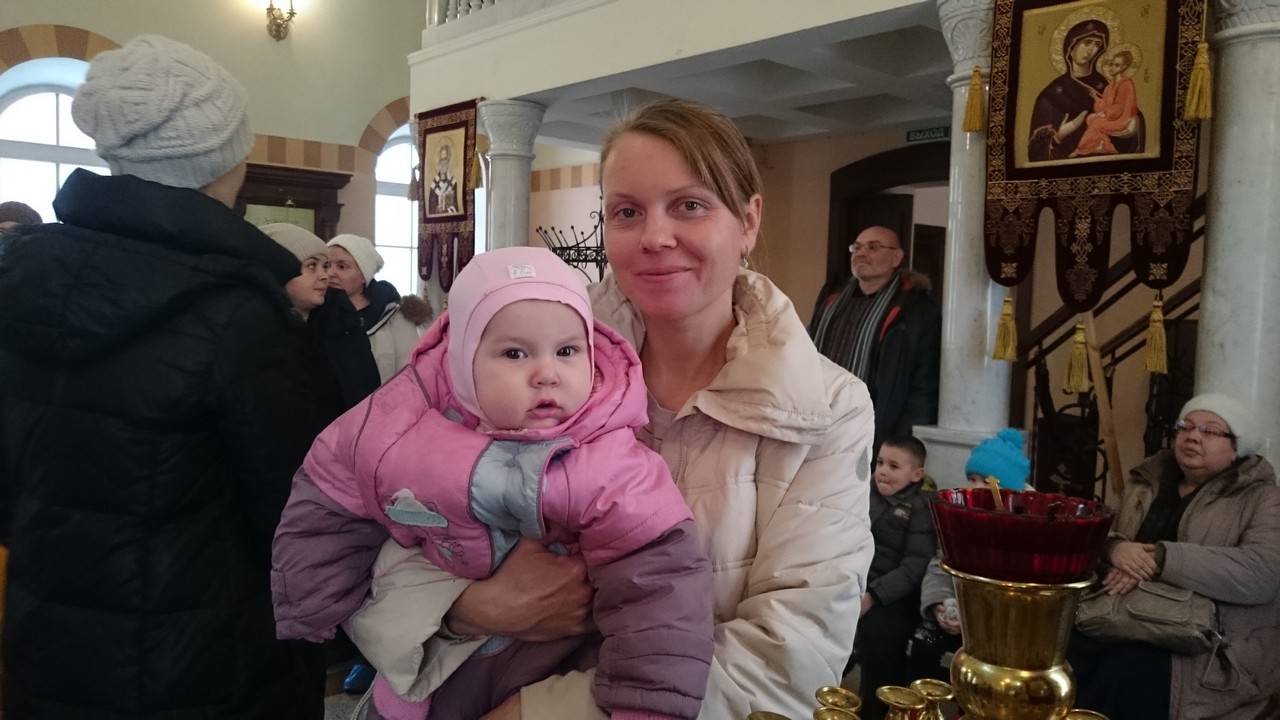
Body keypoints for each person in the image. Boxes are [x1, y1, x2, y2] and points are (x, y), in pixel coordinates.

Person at [0, 35, 324, 719]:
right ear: (226, 158)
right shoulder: (235, 313)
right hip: (206, 658)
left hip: (50, 643)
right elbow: (295, 517)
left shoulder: (21, 278)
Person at [272, 245, 713, 720]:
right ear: (462, 361)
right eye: (514, 353)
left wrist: (646, 705)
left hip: (549, 670)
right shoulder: (401, 429)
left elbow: (659, 586)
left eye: (567, 351)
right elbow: (329, 492)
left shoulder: (608, 459)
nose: (546, 374)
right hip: (430, 668)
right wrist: (314, 597)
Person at [1068, 393, 1280, 720]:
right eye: (1186, 426)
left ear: (1237, 448)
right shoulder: (1146, 482)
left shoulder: (1263, 498)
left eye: (1210, 430)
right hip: (1125, 618)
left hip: (1214, 645)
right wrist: (1116, 550)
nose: (1193, 436)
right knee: (1063, 652)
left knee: (1126, 674)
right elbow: (1101, 533)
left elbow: (1262, 573)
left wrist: (1161, 561)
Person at [906, 428, 1031, 683]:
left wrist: (972, 618)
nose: (976, 488)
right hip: (960, 610)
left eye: (988, 482)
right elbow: (940, 565)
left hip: (1001, 624)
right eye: (972, 479)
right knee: (924, 642)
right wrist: (941, 603)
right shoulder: (961, 516)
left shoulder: (1027, 528)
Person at [809, 225, 941, 454]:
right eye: (857, 247)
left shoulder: (915, 309)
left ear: (896, 257)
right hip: (820, 419)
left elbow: (923, 385)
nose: (861, 253)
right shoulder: (832, 299)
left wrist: (899, 445)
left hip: (876, 427)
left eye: (873, 247)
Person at [850, 435, 936, 720]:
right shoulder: (864, 493)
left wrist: (873, 596)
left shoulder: (921, 508)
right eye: (880, 463)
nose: (883, 471)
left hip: (895, 593)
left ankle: (879, 710)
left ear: (916, 475)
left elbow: (915, 564)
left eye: (894, 466)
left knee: (878, 636)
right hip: (858, 581)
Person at [261, 222, 381, 420]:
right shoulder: (254, 329)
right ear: (280, 270)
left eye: (324, 266)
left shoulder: (340, 319)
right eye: (312, 266)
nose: (325, 275)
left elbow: (363, 394)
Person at [1028, 18, 1143, 161]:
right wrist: (1059, 136)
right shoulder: (1051, 94)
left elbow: (1127, 114)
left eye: (1097, 45)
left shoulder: (1105, 84)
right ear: (1071, 46)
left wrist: (1133, 123)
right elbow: (1036, 152)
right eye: (1087, 43)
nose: (1091, 50)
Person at [327, 233, 431, 384]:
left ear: (364, 276)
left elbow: (409, 374)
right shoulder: (318, 313)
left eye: (342, 266)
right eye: (327, 265)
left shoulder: (393, 315)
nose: (330, 273)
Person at [1071, 47, 1139, 158]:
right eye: (1111, 64)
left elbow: (1119, 107)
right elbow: (1106, 105)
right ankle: (1103, 145)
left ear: (1124, 67)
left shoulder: (1126, 84)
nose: (1112, 68)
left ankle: (1080, 149)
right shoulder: (1109, 86)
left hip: (1123, 119)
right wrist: (1096, 98)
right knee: (1090, 118)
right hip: (1111, 117)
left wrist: (1104, 114)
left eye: (1116, 65)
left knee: (1096, 123)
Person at [427, 137, 459, 217]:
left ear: (449, 160)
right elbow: (431, 207)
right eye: (441, 159)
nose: (443, 162)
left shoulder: (453, 182)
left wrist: (450, 208)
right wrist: (437, 208)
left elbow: (456, 205)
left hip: (450, 218)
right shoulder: (434, 183)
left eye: (445, 159)